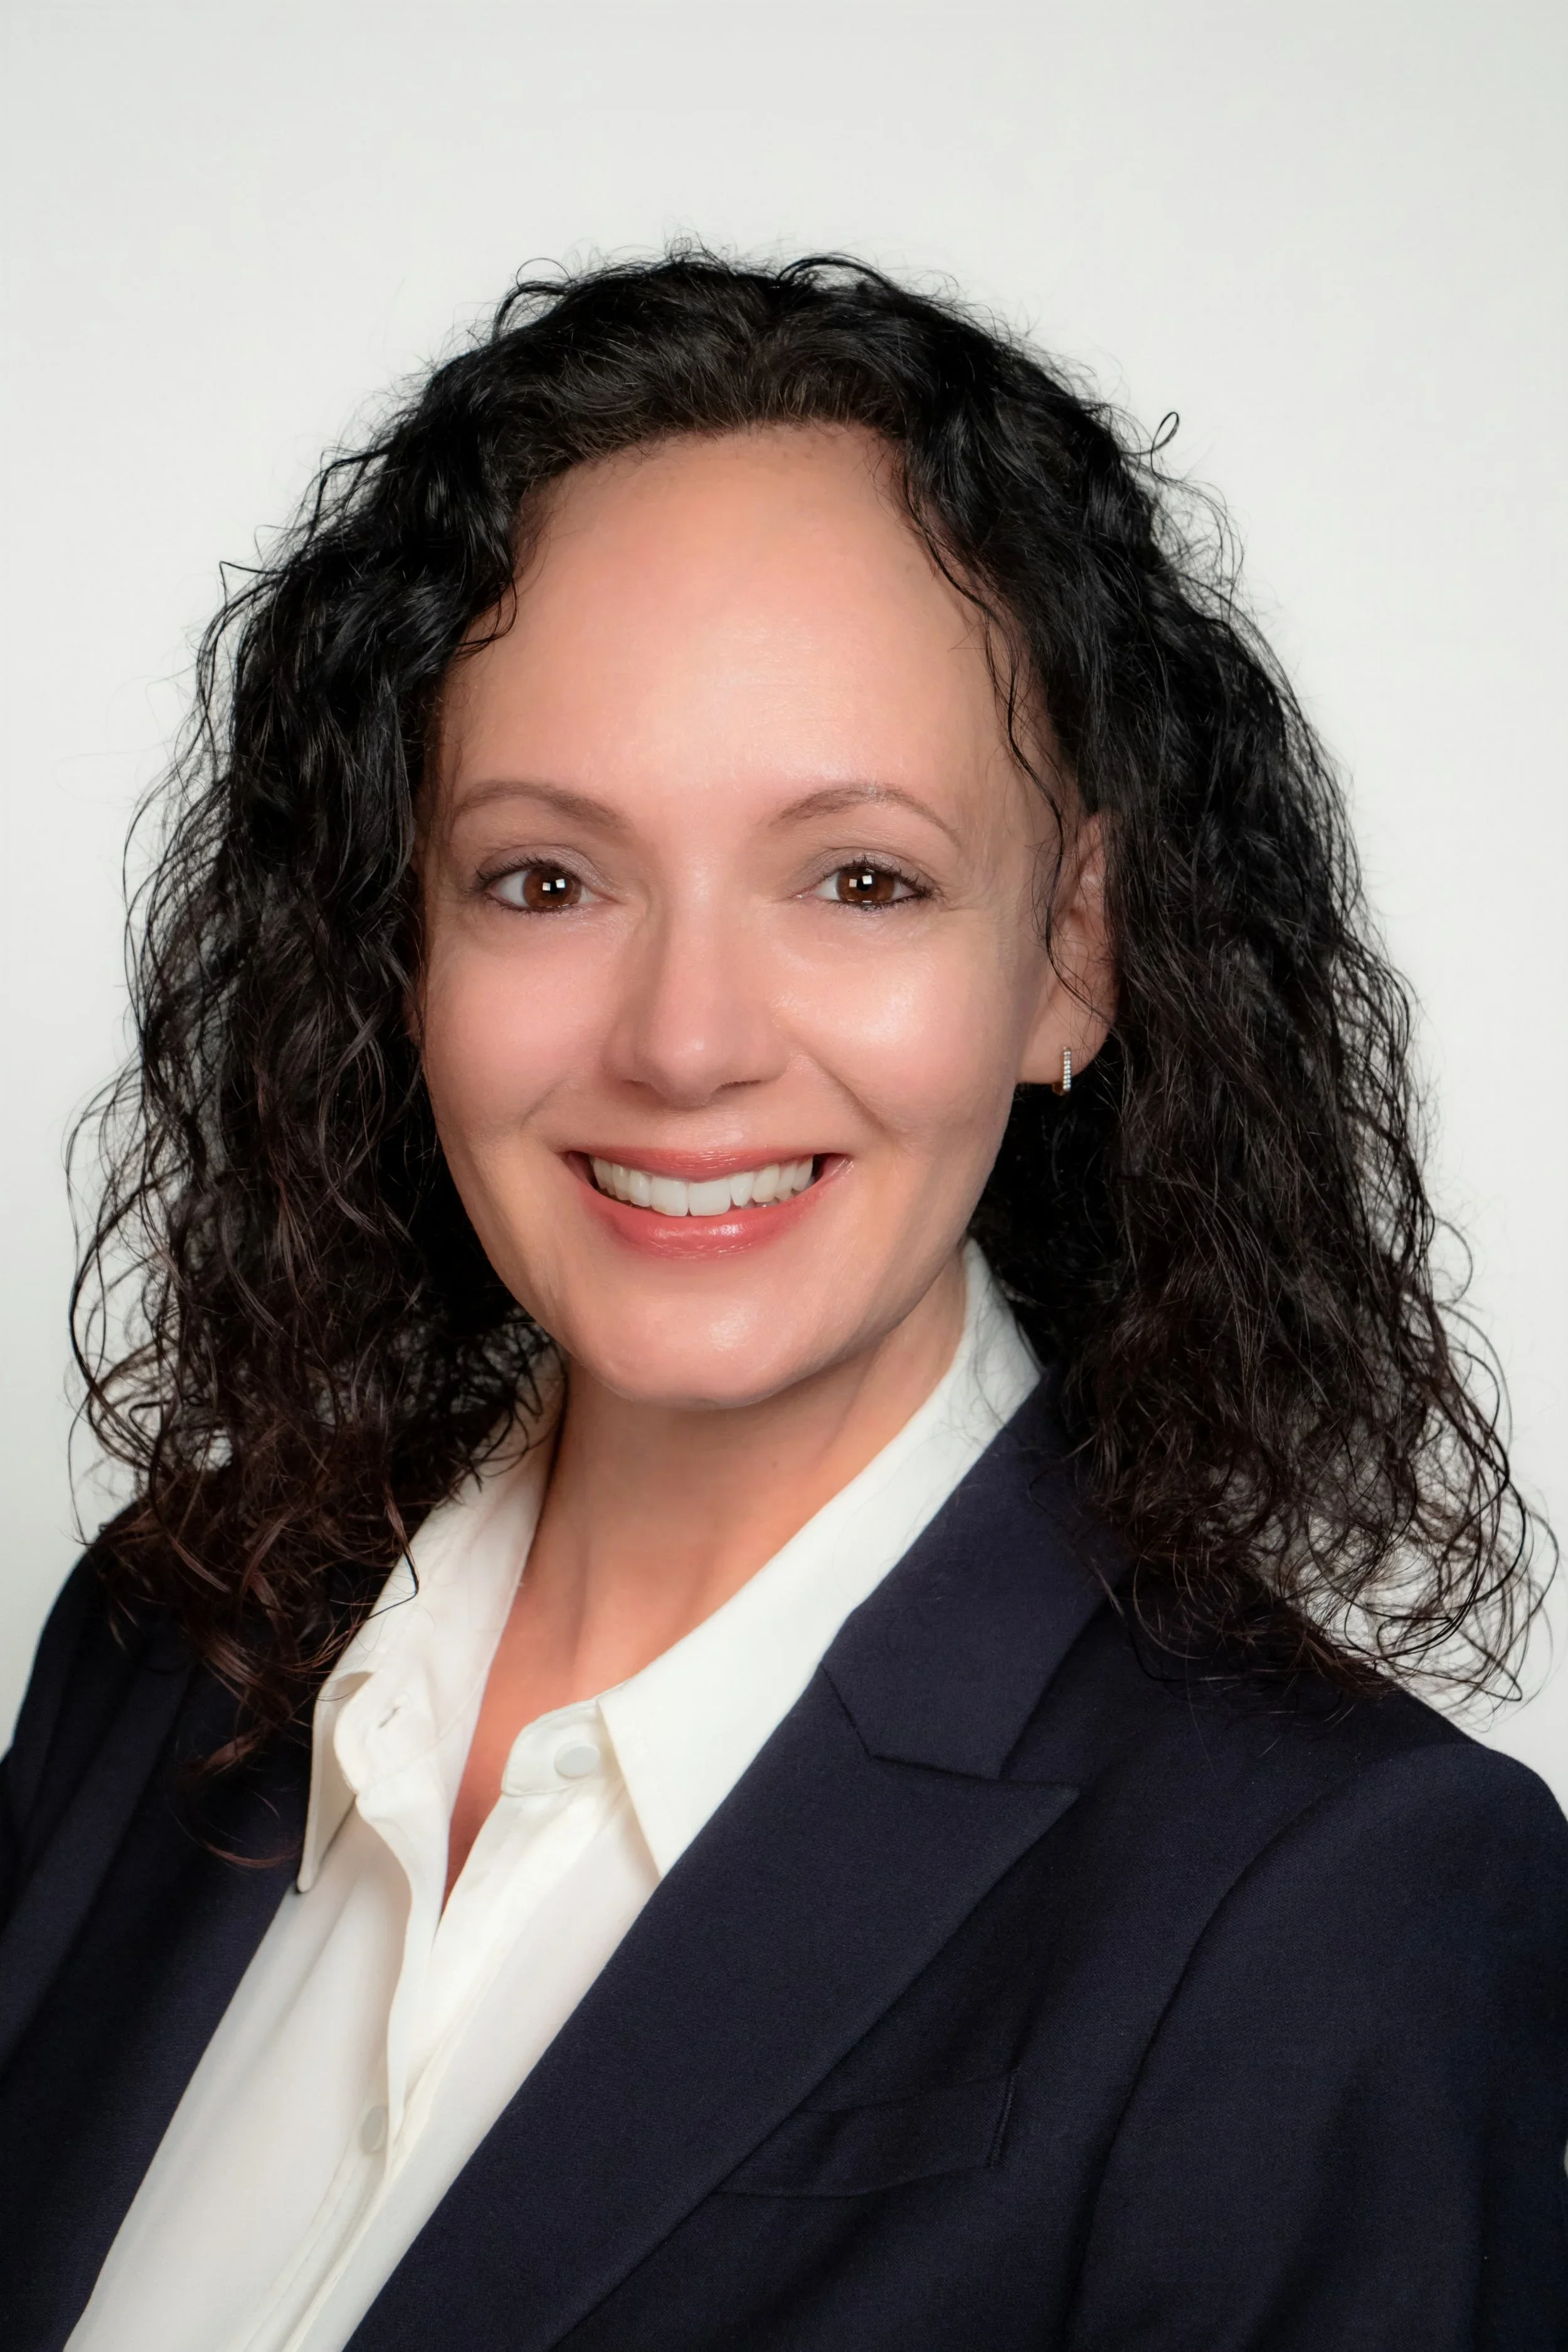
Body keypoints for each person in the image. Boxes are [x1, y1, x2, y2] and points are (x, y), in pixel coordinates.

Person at [1, 251, 1564, 2352]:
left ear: (1073, 954)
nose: (685, 1041)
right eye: (543, 877)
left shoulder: (1323, 1912)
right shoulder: (159, 1635)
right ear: (403, 943)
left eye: (859, 879)